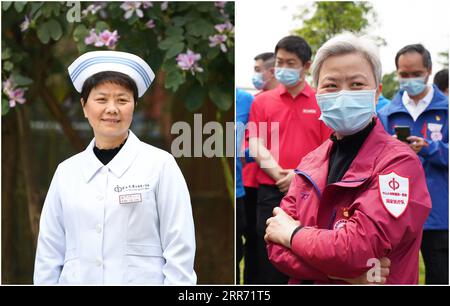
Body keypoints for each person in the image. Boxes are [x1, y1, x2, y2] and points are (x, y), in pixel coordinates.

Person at [265, 33, 431, 284]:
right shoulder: (310, 162)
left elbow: (356, 249)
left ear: (377, 93)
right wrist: (339, 273)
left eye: (356, 85)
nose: (343, 95)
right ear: (318, 92)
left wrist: (292, 233)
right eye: (331, 85)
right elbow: (275, 249)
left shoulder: (398, 164)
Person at [34, 51, 197, 285]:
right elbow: (48, 254)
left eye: (122, 100)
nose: (112, 109)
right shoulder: (66, 173)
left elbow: (179, 247)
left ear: (134, 106)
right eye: (101, 100)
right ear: (84, 106)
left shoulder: (160, 165)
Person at [248, 35, 331, 284]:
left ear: (306, 66)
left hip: (311, 193)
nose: (283, 69)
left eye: (290, 63)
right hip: (270, 191)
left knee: (306, 256)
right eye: (280, 62)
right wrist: (279, 174)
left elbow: (330, 147)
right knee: (269, 258)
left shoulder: (321, 101)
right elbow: (255, 142)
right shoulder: (262, 100)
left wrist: (298, 175)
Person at [378, 44, 448, 284]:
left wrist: (430, 148)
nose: (409, 79)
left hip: (438, 212)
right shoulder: (387, 114)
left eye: (415, 74)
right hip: (396, 209)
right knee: (395, 276)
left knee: (440, 274)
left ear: (428, 71)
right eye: (403, 74)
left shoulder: (446, 110)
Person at [242, 52, 279, 284]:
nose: (255, 74)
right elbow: (248, 141)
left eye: (258, 69)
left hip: (271, 183)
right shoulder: (255, 101)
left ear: (271, 71)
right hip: (250, 182)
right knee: (254, 242)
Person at [236, 88, 254, 284]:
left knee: (236, 252)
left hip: (238, 191)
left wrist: (245, 154)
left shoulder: (246, 100)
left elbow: (262, 137)